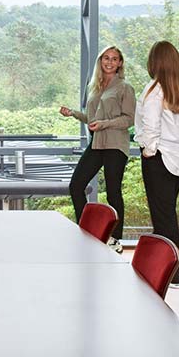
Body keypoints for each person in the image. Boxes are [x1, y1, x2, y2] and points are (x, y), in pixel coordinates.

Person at [134, 41, 179, 285]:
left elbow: (150, 127)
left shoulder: (154, 90)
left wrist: (149, 152)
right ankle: (162, 271)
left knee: (163, 219)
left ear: (154, 62)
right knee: (166, 216)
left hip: (159, 159)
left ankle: (173, 276)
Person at [60, 45, 136, 253]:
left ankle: (115, 240)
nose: (109, 62)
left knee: (113, 192)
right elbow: (92, 120)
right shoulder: (94, 87)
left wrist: (104, 124)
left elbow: (129, 119)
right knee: (76, 186)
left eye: (114, 59)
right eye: (106, 58)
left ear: (120, 63)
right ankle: (86, 231)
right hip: (97, 143)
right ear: (100, 61)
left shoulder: (125, 87)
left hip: (115, 145)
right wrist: (74, 113)